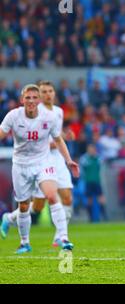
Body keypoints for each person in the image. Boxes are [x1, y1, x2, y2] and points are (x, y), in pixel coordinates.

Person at [0, 84, 79, 254]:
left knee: (52, 195)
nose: (31, 101)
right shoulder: (13, 116)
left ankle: (63, 238)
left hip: (43, 162)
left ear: (39, 100)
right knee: (24, 206)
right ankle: (24, 242)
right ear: (22, 100)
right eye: (27, 97)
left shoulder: (49, 117)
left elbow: (58, 140)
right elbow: (1, 133)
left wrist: (68, 160)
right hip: (21, 165)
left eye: (35, 98)